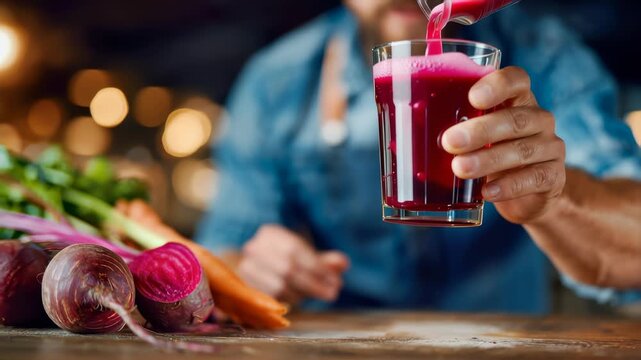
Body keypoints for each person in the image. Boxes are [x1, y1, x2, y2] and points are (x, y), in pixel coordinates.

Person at [196, 0, 641, 313]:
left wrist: (554, 199)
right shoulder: (277, 82)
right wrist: (253, 269)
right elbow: (219, 254)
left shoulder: (541, 51)